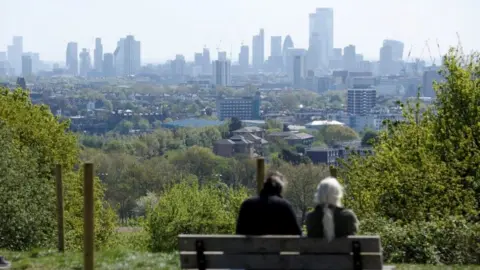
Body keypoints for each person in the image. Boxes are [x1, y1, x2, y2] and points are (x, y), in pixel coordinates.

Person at [236, 171, 302, 235]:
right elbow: (297, 233)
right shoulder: (285, 206)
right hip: (278, 246)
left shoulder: (247, 204)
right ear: (280, 189)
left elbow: (239, 232)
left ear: (264, 186)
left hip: (251, 246)